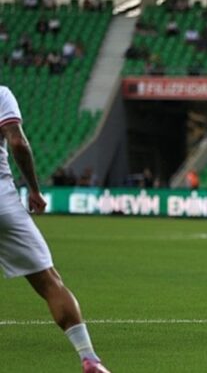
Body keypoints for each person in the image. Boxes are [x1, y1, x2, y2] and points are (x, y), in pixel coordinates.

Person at [0, 86, 110, 373]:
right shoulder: (1, 95)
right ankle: (89, 358)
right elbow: (18, 143)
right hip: (2, 204)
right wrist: (34, 189)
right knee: (50, 283)